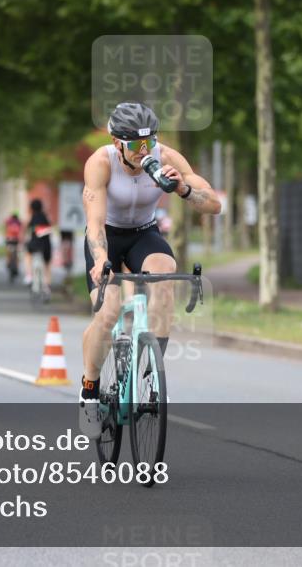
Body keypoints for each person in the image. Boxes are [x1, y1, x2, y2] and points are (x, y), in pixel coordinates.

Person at [79, 102, 221, 437]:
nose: (145, 152)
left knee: (165, 277)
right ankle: (89, 389)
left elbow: (214, 204)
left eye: (149, 143)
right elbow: (95, 223)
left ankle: (150, 376)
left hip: (144, 233)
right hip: (108, 236)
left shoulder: (166, 158)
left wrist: (183, 189)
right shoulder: (100, 163)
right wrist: (101, 260)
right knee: (109, 310)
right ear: (118, 143)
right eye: (136, 146)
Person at [24, 199, 53, 286]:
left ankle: (29, 275)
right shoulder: (46, 217)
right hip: (46, 245)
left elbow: (25, 228)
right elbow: (50, 227)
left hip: (34, 244)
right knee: (47, 265)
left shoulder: (31, 217)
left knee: (28, 255)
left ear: (31, 208)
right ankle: (47, 287)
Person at [4, 212, 23, 282]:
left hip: (9, 240)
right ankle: (17, 267)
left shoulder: (8, 222)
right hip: (16, 240)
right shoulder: (19, 223)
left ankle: (8, 262)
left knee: (8, 252)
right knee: (17, 254)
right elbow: (21, 233)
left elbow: (6, 229)